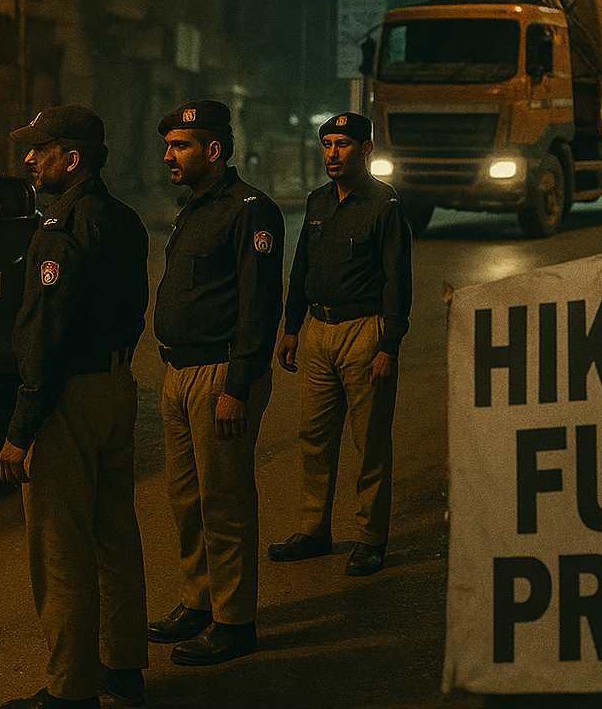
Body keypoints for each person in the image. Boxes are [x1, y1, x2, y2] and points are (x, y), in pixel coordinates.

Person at [0, 105, 149, 709]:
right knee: (114, 533)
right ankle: (124, 666)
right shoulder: (125, 220)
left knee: (60, 550)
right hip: (116, 387)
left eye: (40, 149)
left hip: (68, 400)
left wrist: (20, 429)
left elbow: (45, 337)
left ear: (72, 158)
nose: (29, 160)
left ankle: (69, 690)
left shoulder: (61, 230)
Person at [148, 100, 284, 666]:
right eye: (168, 145)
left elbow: (258, 303)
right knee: (187, 500)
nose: (168, 155)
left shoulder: (250, 210)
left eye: (180, 145)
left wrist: (237, 385)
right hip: (179, 372)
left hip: (219, 376)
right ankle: (197, 601)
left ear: (214, 150)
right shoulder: (194, 208)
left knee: (224, 502)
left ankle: (234, 621)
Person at [268, 112, 411, 577]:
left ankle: (370, 538)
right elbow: (300, 270)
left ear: (365, 150)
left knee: (369, 441)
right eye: (327, 143)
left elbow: (397, 282)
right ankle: (314, 530)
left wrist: (388, 345)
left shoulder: (384, 205)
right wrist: (290, 327)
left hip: (363, 332)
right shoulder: (316, 203)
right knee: (314, 437)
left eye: (343, 144)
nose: (332, 153)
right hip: (318, 332)